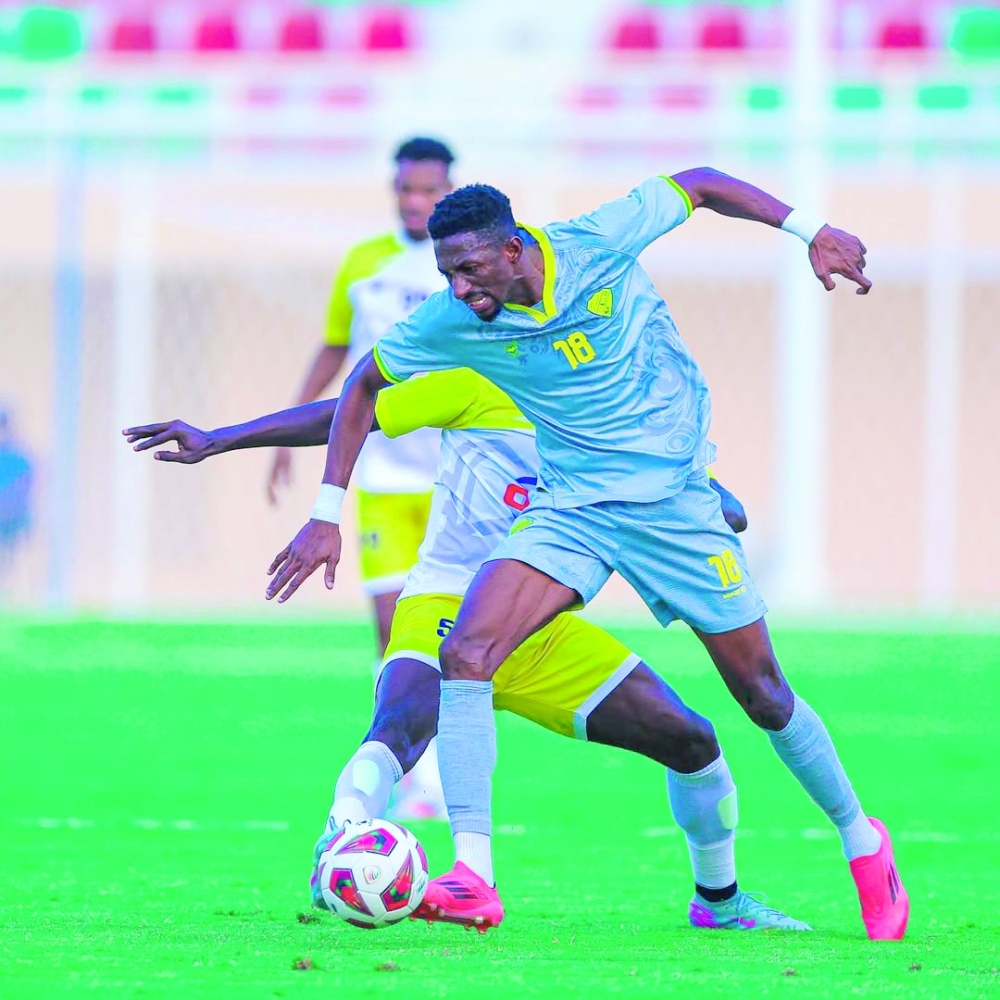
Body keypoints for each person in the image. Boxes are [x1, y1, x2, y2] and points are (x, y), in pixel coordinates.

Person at [264, 168, 909, 942]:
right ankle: (473, 874)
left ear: (513, 250)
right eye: (446, 274)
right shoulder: (456, 321)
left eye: (469, 270)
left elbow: (700, 185)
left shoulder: (599, 240)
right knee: (467, 651)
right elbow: (363, 385)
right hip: (573, 508)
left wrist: (811, 231)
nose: (459, 290)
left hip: (676, 506)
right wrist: (325, 511)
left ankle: (861, 840)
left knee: (763, 695)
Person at [125, 368, 807, 933]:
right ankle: (340, 838)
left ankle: (720, 903)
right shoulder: (477, 382)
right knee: (397, 731)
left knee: (692, 741)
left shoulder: (608, 417)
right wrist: (221, 439)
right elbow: (349, 412)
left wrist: (698, 493)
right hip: (447, 607)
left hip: (540, 629)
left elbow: (721, 507)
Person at [267, 136, 455, 821]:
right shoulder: (364, 263)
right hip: (384, 477)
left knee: (460, 634)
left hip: (459, 479)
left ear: (448, 189)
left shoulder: (463, 264)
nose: (415, 201)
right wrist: (290, 435)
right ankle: (421, 777)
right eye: (406, 189)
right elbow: (337, 349)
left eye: (429, 190)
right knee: (392, 631)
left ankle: (447, 765)